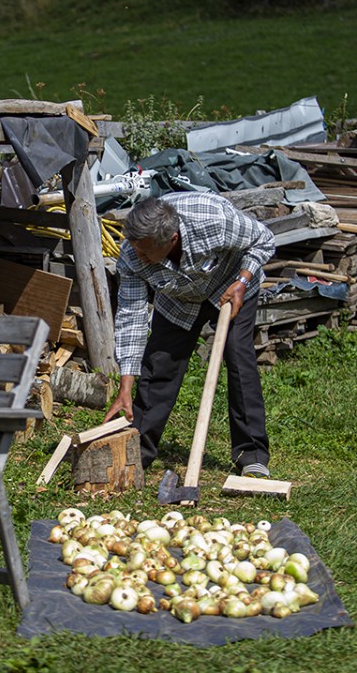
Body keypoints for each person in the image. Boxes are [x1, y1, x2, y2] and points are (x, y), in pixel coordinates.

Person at [104, 192, 276, 477]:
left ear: (171, 239)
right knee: (159, 365)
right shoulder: (132, 256)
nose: (138, 257)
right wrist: (125, 384)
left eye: (145, 252)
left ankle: (252, 455)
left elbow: (263, 239)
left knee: (239, 359)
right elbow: (131, 318)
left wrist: (243, 280)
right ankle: (138, 453)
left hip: (230, 285)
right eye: (134, 249)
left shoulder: (211, 220)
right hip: (179, 301)